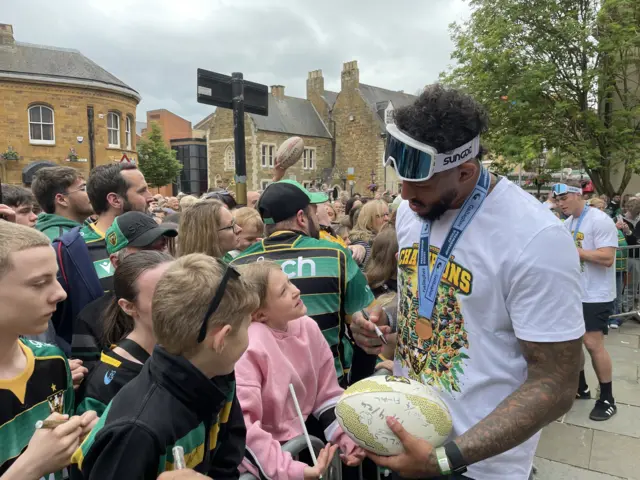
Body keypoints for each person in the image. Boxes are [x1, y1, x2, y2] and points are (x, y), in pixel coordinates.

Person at [350, 85, 584, 480]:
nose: (404, 194)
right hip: (407, 441)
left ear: (465, 171)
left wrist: (443, 460)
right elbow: (429, 295)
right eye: (401, 179)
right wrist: (383, 317)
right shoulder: (413, 214)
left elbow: (557, 384)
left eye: (419, 184)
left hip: (478, 467)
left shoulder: (536, 238)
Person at [71, 254, 258, 479]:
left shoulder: (217, 374)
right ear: (221, 339)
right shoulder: (136, 432)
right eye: (248, 326)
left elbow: (227, 456)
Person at [231, 180, 375, 387]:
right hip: (327, 387)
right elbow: (365, 321)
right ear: (301, 218)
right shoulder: (335, 255)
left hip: (265, 389)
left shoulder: (237, 265)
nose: (316, 219)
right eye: (313, 214)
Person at [236, 261, 364, 480]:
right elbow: (243, 428)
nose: (297, 290)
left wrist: (349, 438)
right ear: (260, 314)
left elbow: (327, 395)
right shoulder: (249, 345)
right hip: (264, 464)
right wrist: (291, 469)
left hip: (302, 448)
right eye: (284, 291)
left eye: (290, 282)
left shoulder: (307, 326)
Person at [0, 221, 98, 479]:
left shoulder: (52, 361)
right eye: (39, 283)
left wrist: (78, 439)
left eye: (55, 277)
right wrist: (30, 467)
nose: (60, 293)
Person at [51, 163, 153, 355]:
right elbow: (54, 323)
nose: (151, 196)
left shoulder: (155, 237)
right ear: (115, 200)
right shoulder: (69, 250)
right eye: (142, 191)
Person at [71, 211, 178, 369]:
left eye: (162, 246)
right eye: (147, 251)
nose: (160, 256)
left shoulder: (188, 301)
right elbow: (93, 384)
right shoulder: (92, 318)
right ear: (116, 261)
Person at [75, 251, 174, 416]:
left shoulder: (191, 351)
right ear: (128, 306)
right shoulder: (107, 383)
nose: (179, 303)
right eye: (162, 297)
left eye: (181, 291)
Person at [554, 183, 618, 420]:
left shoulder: (599, 220)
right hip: (573, 293)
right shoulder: (568, 223)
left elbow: (608, 257)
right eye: (557, 200)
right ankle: (581, 388)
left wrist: (576, 252)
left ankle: (608, 398)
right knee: (572, 342)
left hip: (595, 295)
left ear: (578, 194)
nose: (560, 204)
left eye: (564, 198)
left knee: (593, 344)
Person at [32, 166, 94, 241]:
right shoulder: (59, 241)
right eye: (83, 189)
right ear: (61, 200)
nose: (91, 193)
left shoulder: (84, 229)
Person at [348, 200, 390, 268]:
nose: (387, 218)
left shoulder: (384, 237)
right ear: (368, 220)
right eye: (380, 215)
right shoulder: (362, 243)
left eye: (387, 214)